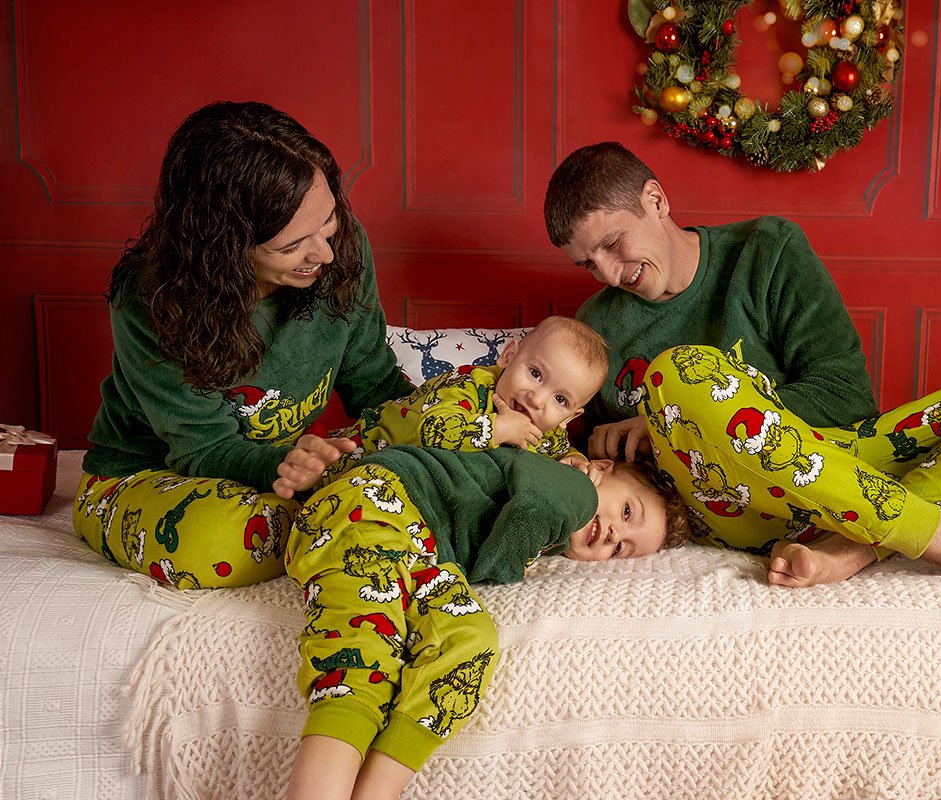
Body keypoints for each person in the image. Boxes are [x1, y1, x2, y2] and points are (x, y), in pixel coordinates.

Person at [543, 141, 941, 595]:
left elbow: (844, 398)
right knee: (677, 376)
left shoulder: (767, 251)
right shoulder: (598, 324)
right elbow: (561, 446)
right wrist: (630, 435)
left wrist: (669, 418)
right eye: (587, 263)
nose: (608, 272)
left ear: (655, 199)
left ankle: (855, 547)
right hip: (728, 505)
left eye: (613, 243)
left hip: (848, 461)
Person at [73, 100, 413, 589]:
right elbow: (203, 448)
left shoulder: (340, 252)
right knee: (222, 540)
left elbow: (374, 382)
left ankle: (331, 525)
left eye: (329, 220)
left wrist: (441, 442)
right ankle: (336, 528)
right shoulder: (151, 297)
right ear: (224, 244)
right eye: (291, 245)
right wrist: (289, 465)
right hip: (150, 477)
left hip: (280, 481)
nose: (325, 251)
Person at [284, 444, 691, 800]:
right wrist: (506, 568)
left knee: (469, 641)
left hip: (425, 550)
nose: (613, 534)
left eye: (622, 548)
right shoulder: (570, 485)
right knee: (363, 653)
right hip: (375, 502)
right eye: (625, 511)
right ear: (599, 469)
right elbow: (533, 514)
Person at [275, 316, 609, 498]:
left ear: (570, 417)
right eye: (535, 374)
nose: (537, 398)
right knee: (322, 477)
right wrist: (499, 429)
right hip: (368, 447)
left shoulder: (544, 433)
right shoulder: (467, 387)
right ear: (509, 357)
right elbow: (434, 430)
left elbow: (561, 451)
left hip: (404, 489)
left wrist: (576, 463)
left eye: (560, 400)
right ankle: (301, 480)